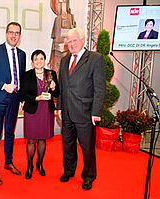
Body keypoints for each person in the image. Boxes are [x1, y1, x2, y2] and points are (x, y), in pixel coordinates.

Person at [57, 28, 106, 190]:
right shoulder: (64, 61)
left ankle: (88, 176)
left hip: (86, 112)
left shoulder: (95, 58)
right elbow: (63, 87)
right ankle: (69, 171)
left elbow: (100, 88)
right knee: (67, 145)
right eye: (68, 42)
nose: (71, 44)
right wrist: (59, 107)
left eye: (74, 40)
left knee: (87, 147)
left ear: (83, 40)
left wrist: (96, 112)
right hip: (67, 112)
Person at [0, 22, 26, 185]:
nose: (14, 35)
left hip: (15, 100)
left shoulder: (22, 54)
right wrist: (3, 85)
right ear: (6, 33)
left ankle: (8, 162)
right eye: (11, 32)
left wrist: (22, 98)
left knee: (10, 132)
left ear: (20, 36)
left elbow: (21, 78)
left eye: (17, 33)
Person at [20, 49, 59, 179]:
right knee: (31, 140)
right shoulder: (27, 75)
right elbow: (23, 94)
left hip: (46, 111)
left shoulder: (51, 73)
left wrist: (54, 88)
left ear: (45, 61)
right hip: (32, 110)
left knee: (42, 139)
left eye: (41, 58)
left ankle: (40, 164)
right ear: (32, 62)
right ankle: (30, 166)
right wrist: (36, 98)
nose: (38, 61)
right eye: (36, 59)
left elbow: (58, 93)